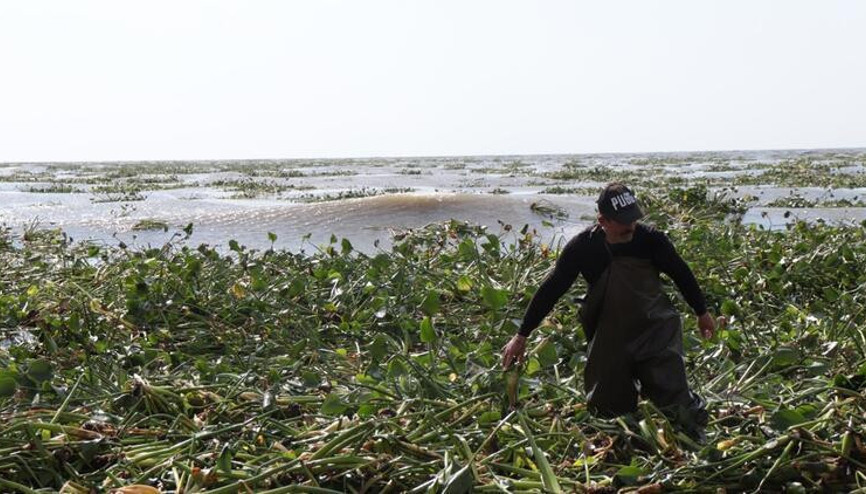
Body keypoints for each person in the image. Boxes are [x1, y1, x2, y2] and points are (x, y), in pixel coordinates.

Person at [501, 183, 717, 442]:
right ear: (603, 220)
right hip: (610, 336)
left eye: (634, 218)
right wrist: (522, 334)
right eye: (624, 221)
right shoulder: (583, 247)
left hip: (655, 328)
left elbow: (682, 274)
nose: (631, 226)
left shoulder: (652, 240)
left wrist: (702, 312)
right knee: (608, 409)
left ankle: (698, 439)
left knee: (676, 402)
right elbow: (552, 288)